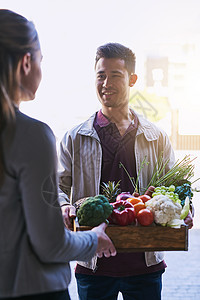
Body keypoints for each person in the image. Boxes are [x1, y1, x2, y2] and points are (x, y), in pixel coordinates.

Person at [58, 42, 193, 300]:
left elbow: (176, 189)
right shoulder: (74, 138)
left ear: (132, 79)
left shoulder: (157, 137)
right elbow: (56, 188)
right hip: (93, 265)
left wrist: (185, 210)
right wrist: (63, 205)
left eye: (115, 75)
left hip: (145, 264)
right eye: (101, 75)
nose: (106, 83)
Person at [0, 10, 116, 300]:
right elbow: (50, 244)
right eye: (40, 59)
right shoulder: (30, 135)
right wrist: (94, 239)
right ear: (26, 62)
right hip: (34, 290)